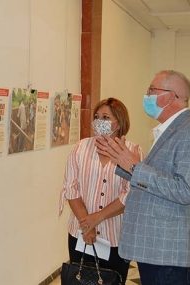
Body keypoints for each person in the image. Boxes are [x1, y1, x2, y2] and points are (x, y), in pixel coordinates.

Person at [97, 70, 190, 285]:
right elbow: (154, 178)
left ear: (170, 96)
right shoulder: (170, 130)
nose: (147, 95)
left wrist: (134, 165)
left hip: (170, 249)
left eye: (152, 90)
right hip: (156, 246)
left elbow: (185, 190)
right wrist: (119, 158)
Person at [59, 98, 144, 284]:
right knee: (80, 279)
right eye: (97, 117)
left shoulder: (133, 152)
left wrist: (97, 218)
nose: (99, 122)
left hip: (116, 236)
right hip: (80, 233)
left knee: (112, 280)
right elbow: (71, 188)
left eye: (105, 117)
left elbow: (131, 193)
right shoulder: (81, 148)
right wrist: (86, 224)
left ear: (119, 123)